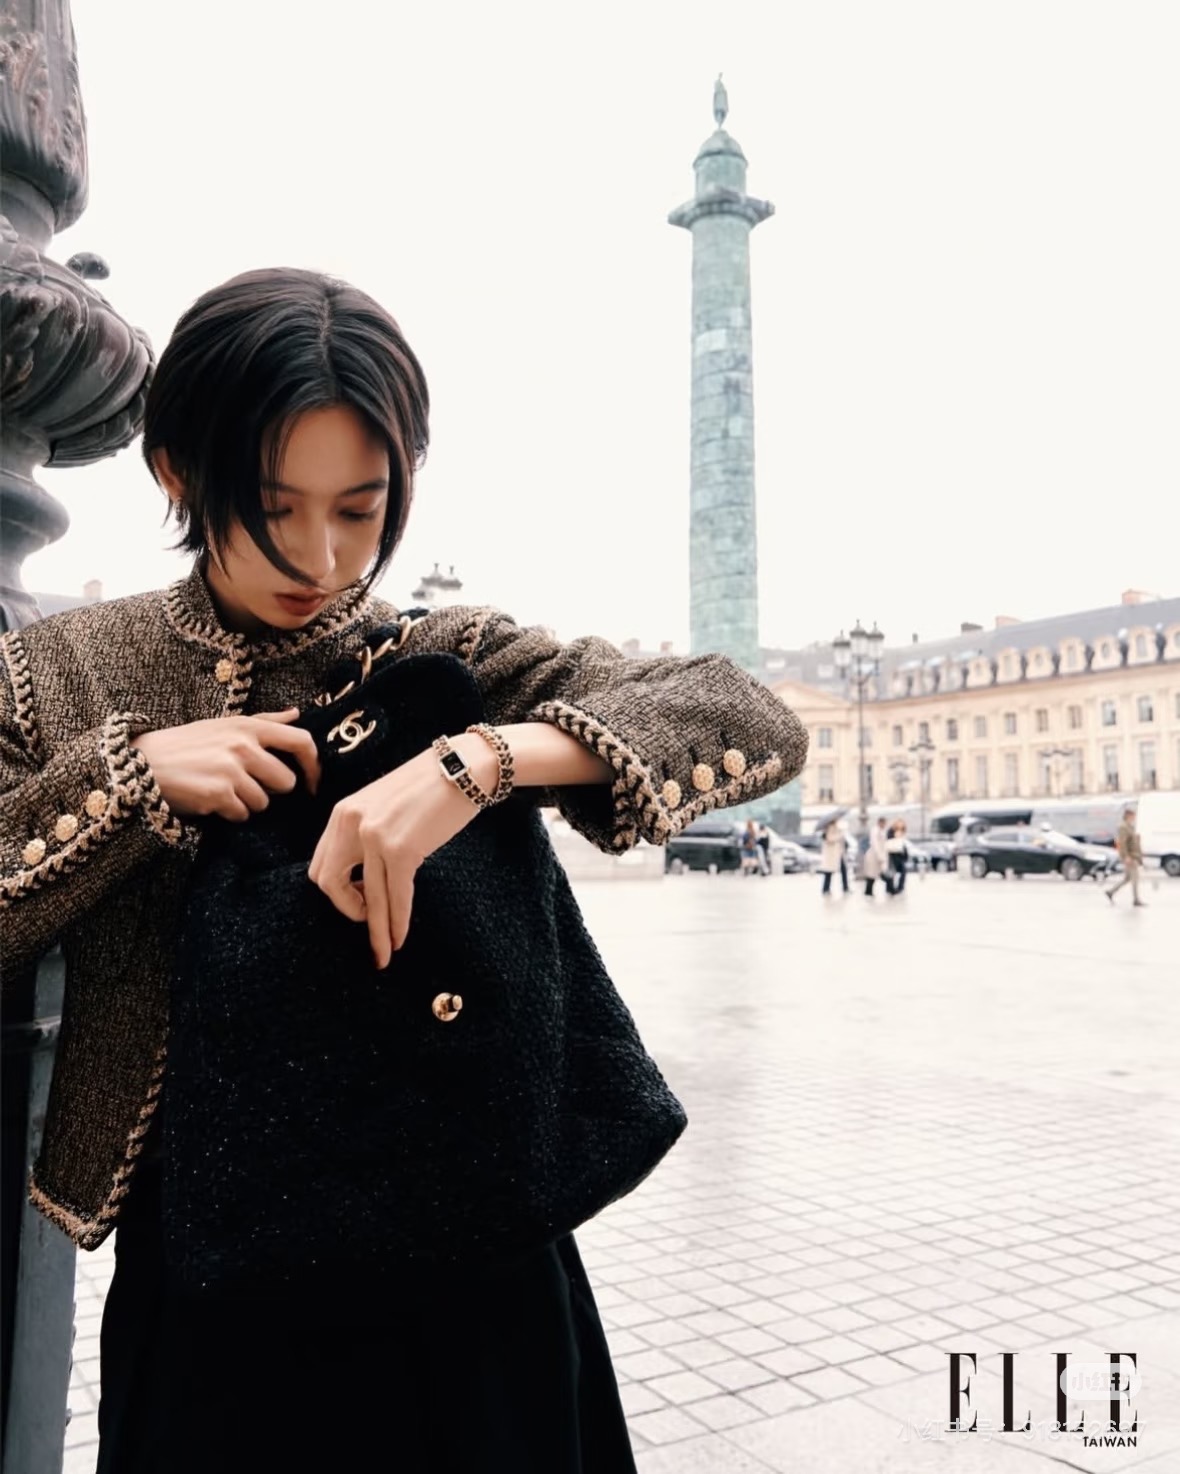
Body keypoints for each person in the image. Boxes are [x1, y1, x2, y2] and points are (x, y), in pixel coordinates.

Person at [0, 267, 810, 1472]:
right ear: (176, 471)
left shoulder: (444, 656)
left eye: (361, 508)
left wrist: (474, 762)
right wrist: (126, 782)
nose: (321, 555)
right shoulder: (55, 674)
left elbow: (746, 718)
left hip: (473, 1255)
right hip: (213, 1281)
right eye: (272, 507)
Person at [1105, 807, 1146, 907]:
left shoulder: (1130, 826)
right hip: (1131, 857)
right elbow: (1122, 843)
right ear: (1128, 816)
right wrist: (1126, 856)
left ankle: (1111, 892)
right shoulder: (1123, 827)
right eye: (1133, 816)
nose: (1134, 818)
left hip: (1134, 856)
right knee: (1135, 879)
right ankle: (1136, 899)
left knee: (1127, 878)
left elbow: (1132, 841)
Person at [819, 818, 848, 895]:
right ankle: (825, 889)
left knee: (843, 870)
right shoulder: (829, 829)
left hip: (838, 854)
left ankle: (845, 887)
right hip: (831, 855)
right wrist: (840, 835)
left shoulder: (836, 828)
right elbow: (830, 839)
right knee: (829, 872)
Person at [863, 816, 890, 897]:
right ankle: (869, 891)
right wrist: (880, 856)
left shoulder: (882, 831)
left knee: (875, 874)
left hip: (878, 855)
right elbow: (875, 844)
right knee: (873, 874)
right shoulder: (875, 830)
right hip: (874, 855)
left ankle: (869, 891)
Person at [886, 818, 909, 895]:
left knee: (903, 871)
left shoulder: (902, 832)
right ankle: (890, 888)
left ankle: (900, 888)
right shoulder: (891, 831)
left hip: (900, 854)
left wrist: (905, 855)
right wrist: (895, 835)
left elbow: (903, 845)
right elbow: (888, 841)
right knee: (891, 872)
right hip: (892, 854)